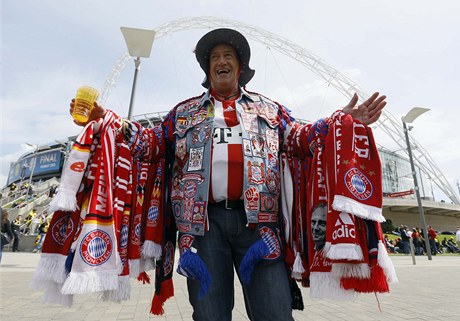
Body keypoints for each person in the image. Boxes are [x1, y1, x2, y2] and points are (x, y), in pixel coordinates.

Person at [70, 28, 386, 320]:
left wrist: (339, 123)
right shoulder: (184, 112)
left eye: (228, 56)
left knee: (275, 312)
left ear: (240, 66)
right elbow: (149, 145)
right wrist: (111, 121)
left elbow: (299, 139)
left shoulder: (269, 109)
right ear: (208, 70)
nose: (221, 61)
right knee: (209, 315)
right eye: (215, 58)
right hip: (202, 229)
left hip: (260, 228)